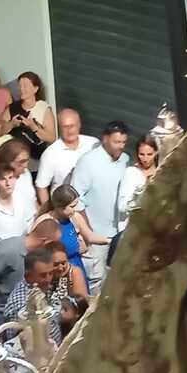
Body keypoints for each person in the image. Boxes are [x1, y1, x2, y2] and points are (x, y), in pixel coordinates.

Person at [72, 120, 129, 292]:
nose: (120, 147)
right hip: (96, 239)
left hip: (118, 236)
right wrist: (88, 232)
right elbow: (76, 200)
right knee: (96, 284)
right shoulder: (88, 162)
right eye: (116, 142)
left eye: (124, 142)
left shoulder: (126, 160)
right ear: (105, 139)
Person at [0, 219, 61, 325]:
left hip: (30, 316)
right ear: (46, 242)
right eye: (52, 245)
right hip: (0, 321)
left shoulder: (39, 258)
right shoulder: (5, 251)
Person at [32, 184, 105, 281]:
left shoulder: (75, 217)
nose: (74, 210)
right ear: (60, 207)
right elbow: (34, 252)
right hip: (57, 273)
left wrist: (110, 241)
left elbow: (90, 236)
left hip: (76, 267)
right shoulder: (44, 222)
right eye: (72, 206)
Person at [34, 108, 97, 203]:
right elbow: (41, 187)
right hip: (64, 208)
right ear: (59, 128)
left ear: (79, 125)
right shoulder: (50, 154)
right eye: (65, 127)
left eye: (72, 126)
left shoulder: (93, 144)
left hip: (92, 204)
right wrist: (50, 212)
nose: (69, 130)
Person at [2, 248, 62, 344]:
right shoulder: (20, 304)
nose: (48, 280)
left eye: (50, 273)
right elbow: (22, 345)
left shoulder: (42, 287)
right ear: (28, 276)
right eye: (43, 275)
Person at [7, 71, 56, 164]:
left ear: (35, 88)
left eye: (25, 85)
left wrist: (33, 127)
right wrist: (11, 124)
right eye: (20, 85)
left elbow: (52, 138)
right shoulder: (12, 107)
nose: (22, 88)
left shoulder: (44, 108)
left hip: (36, 159)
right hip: (13, 158)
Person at [116, 134, 158, 233]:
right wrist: (141, 193)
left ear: (156, 152)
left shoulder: (162, 173)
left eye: (149, 154)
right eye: (141, 154)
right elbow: (122, 206)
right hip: (133, 231)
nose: (145, 159)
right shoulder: (131, 173)